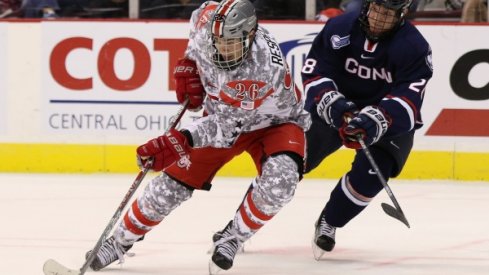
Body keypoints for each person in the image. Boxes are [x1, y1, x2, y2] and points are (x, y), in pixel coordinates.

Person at [86, 0, 311, 273]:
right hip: (223, 113)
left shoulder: (261, 68)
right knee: (169, 188)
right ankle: (119, 241)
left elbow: (228, 128)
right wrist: (188, 64)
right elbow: (197, 21)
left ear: (250, 35)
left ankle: (233, 237)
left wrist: (182, 138)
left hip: (276, 123)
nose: (221, 49)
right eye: (218, 40)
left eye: (231, 43)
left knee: (281, 182)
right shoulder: (207, 21)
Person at [301, 0, 433, 259]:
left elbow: (410, 98)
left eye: (388, 13)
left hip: (384, 117)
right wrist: (328, 98)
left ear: (402, 14)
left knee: (372, 177)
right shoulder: (340, 27)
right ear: (367, 6)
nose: (379, 18)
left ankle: (330, 219)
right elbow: (315, 70)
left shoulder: (414, 46)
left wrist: (381, 117)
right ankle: (239, 227)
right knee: (288, 161)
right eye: (377, 9)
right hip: (338, 107)